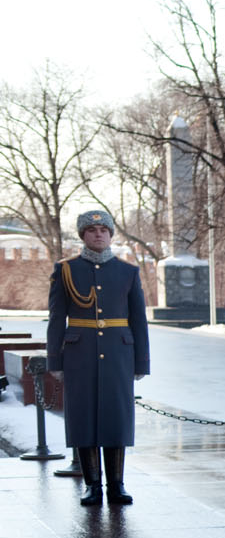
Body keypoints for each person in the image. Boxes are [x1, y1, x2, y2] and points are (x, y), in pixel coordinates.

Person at [46, 210, 149, 507]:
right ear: (82, 236)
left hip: (119, 353)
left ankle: (117, 485)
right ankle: (93, 485)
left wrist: (141, 361)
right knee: (84, 417)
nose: (98, 234)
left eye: (104, 229)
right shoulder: (66, 270)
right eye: (91, 230)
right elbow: (56, 318)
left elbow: (138, 320)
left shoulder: (128, 272)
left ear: (111, 234)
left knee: (117, 418)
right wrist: (55, 361)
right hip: (79, 354)